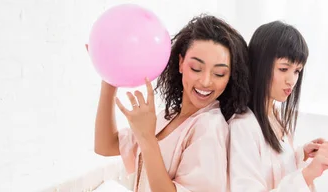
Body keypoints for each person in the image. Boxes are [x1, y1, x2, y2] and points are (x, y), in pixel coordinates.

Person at [92, 14, 250, 192]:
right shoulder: (170, 116)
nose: (206, 81)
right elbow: (106, 146)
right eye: (196, 68)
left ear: (230, 78)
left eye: (219, 73)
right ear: (181, 63)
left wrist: (147, 138)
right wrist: (109, 76)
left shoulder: (209, 128)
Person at [228, 20, 328, 192]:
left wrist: (302, 153)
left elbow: (276, 170)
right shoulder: (243, 126)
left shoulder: (274, 114)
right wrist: (308, 174)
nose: (292, 80)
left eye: (297, 71)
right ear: (260, 65)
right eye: (283, 69)